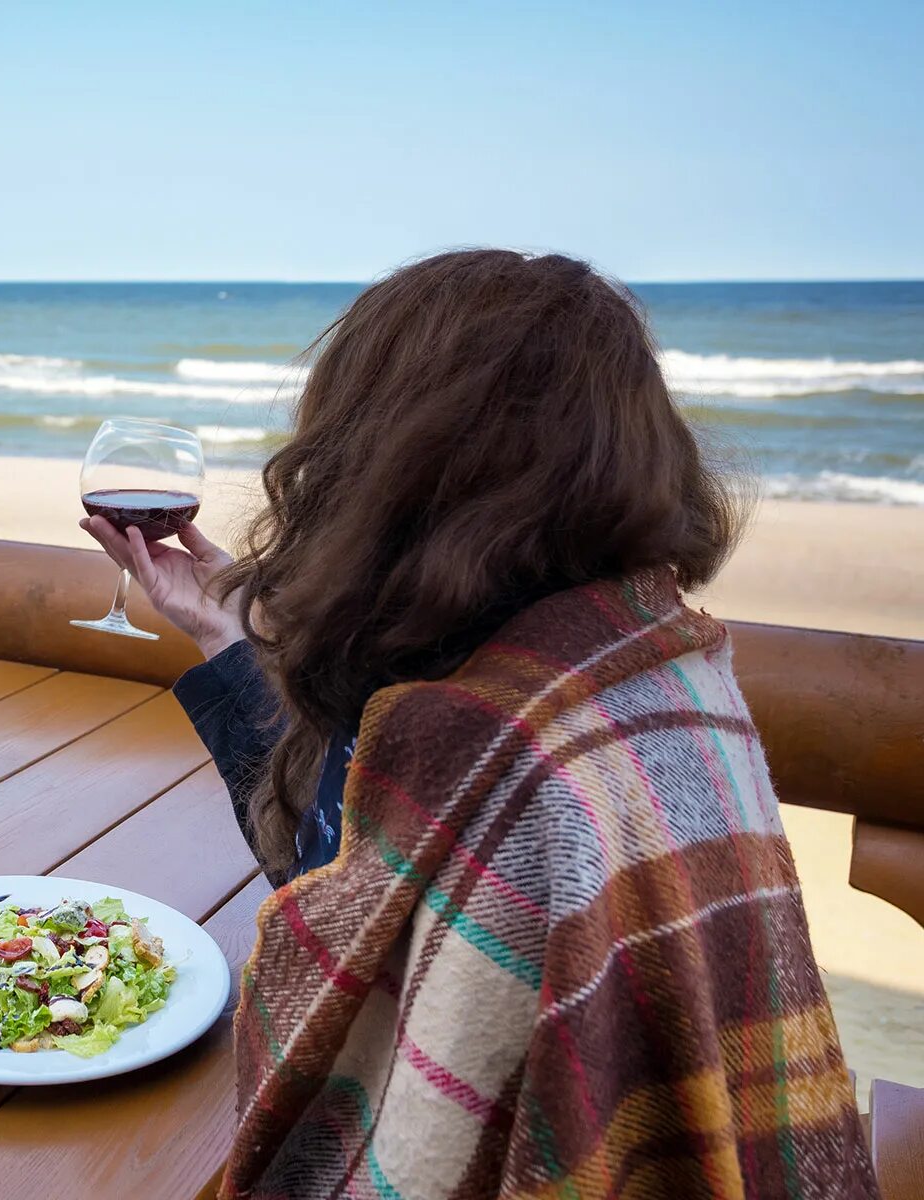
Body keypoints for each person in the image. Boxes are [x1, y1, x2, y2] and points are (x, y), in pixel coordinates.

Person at [82, 250, 876, 1199]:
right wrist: (224, 633)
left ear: (389, 466)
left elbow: (345, 953)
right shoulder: (651, 663)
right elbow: (344, 871)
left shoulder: (502, 755)